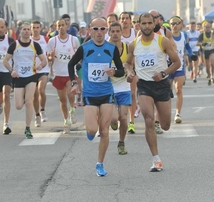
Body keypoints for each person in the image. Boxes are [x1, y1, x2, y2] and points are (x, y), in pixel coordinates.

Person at [68, 17, 124, 177]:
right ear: (90, 30)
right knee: (92, 130)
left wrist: (114, 72)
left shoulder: (111, 48)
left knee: (104, 131)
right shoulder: (85, 48)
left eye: (102, 29)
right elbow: (71, 64)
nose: (99, 32)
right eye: (96, 29)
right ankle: (91, 131)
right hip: (90, 95)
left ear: (106, 30)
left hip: (107, 93)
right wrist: (74, 82)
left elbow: (121, 70)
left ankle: (100, 164)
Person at [125, 13, 181, 172]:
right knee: (149, 120)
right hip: (144, 86)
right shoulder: (133, 44)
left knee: (166, 125)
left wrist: (164, 74)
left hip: (161, 84)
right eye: (144, 23)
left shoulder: (162, 41)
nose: (147, 26)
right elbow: (128, 64)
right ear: (139, 25)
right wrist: (129, 73)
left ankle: (162, 118)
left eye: (150, 23)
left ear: (154, 23)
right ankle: (156, 160)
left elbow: (177, 62)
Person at [3, 22, 47, 139]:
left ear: (30, 31)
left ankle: (27, 128)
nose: (27, 31)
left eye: (28, 29)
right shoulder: (14, 45)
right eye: (24, 29)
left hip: (31, 77)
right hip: (18, 78)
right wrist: (11, 71)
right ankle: (22, 96)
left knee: (29, 102)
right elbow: (5, 61)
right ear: (20, 31)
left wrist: (40, 66)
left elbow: (44, 60)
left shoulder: (35, 45)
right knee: (18, 106)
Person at [46, 18, 80, 134]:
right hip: (58, 73)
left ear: (67, 27)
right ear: (56, 28)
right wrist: (51, 57)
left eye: (63, 25)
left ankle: (72, 110)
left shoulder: (74, 40)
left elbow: (79, 54)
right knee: (62, 99)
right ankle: (66, 121)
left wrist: (76, 58)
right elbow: (48, 58)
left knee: (71, 94)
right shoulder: (52, 41)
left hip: (70, 73)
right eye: (58, 25)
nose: (61, 27)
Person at [108, 22, 131, 155]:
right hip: (109, 87)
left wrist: (130, 73)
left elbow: (129, 65)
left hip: (123, 86)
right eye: (113, 31)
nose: (115, 34)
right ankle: (112, 121)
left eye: (118, 31)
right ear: (109, 33)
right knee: (113, 118)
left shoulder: (126, 48)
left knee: (123, 117)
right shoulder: (105, 48)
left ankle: (121, 143)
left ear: (121, 32)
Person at [169, 16, 195, 124]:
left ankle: (177, 114)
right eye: (172, 24)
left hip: (179, 66)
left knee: (178, 89)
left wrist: (191, 54)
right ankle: (165, 114)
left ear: (181, 24)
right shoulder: (167, 36)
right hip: (168, 67)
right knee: (166, 92)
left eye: (176, 23)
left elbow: (187, 47)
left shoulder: (184, 35)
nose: (174, 26)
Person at [31, 20, 50, 127]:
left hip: (43, 69)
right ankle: (37, 115)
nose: (36, 29)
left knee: (41, 89)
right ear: (31, 29)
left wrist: (51, 57)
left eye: (37, 27)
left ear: (40, 28)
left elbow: (50, 52)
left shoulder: (45, 39)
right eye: (34, 27)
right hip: (32, 71)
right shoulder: (27, 40)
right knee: (35, 94)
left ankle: (42, 110)